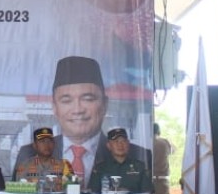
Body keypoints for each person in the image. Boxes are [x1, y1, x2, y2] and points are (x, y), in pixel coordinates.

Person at [13, 56, 149, 181]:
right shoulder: (29, 154)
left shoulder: (136, 154)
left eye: (88, 99)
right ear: (54, 107)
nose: (77, 110)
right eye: (66, 101)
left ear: (104, 105)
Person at [87, 128, 150, 194]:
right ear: (108, 146)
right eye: (116, 141)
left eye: (123, 141)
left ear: (128, 143)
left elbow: (147, 193)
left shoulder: (139, 166)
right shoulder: (100, 168)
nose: (120, 145)